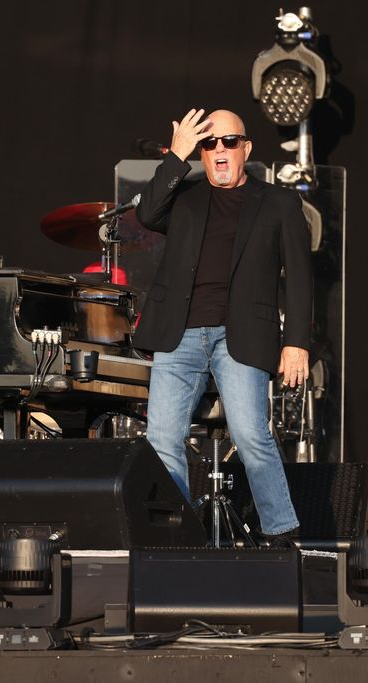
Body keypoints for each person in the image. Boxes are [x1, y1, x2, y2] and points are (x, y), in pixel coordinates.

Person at [134, 109, 311, 544]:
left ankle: (281, 533)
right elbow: (146, 214)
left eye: (228, 142)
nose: (218, 151)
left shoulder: (279, 203)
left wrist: (297, 344)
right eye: (209, 144)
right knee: (161, 439)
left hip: (241, 336)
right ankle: (177, 536)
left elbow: (303, 277)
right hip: (180, 334)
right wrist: (176, 156)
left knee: (251, 435)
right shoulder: (186, 197)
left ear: (245, 149)